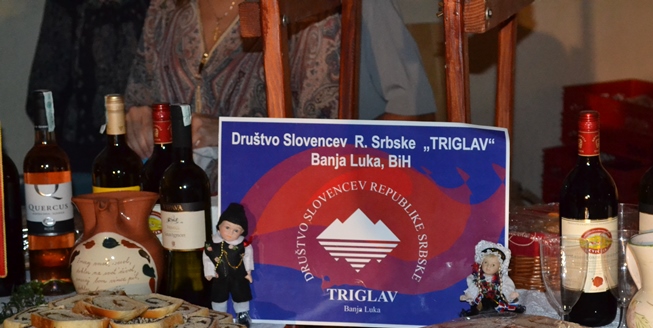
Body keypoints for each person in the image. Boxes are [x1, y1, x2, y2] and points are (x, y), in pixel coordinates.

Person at [124, 0, 436, 184]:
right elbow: (140, 101)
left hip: (300, 218)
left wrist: (235, 135)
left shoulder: (351, 5)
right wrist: (140, 122)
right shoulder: (165, 7)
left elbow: (415, 120)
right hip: (178, 219)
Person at [26, 0, 150, 193]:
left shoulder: (161, 6)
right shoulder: (68, 5)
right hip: (80, 162)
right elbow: (43, 92)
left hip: (144, 155)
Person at [203, 202, 254, 328]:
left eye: (236, 230)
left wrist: (248, 271)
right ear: (219, 226)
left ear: (241, 232)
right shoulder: (211, 245)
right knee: (218, 296)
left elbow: (248, 256)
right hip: (219, 276)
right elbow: (207, 259)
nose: (230, 233)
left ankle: (242, 314)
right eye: (227, 227)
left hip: (238, 275)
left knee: (241, 294)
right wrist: (209, 272)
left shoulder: (243, 245)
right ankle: (220, 316)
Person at [460, 240, 524, 317]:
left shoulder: (502, 279)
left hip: (497, 303)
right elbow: (473, 289)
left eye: (493, 265)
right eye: (485, 263)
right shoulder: (476, 278)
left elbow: (507, 288)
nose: (488, 266)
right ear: (481, 263)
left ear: (499, 267)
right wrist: (468, 296)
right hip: (482, 305)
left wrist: (510, 295)